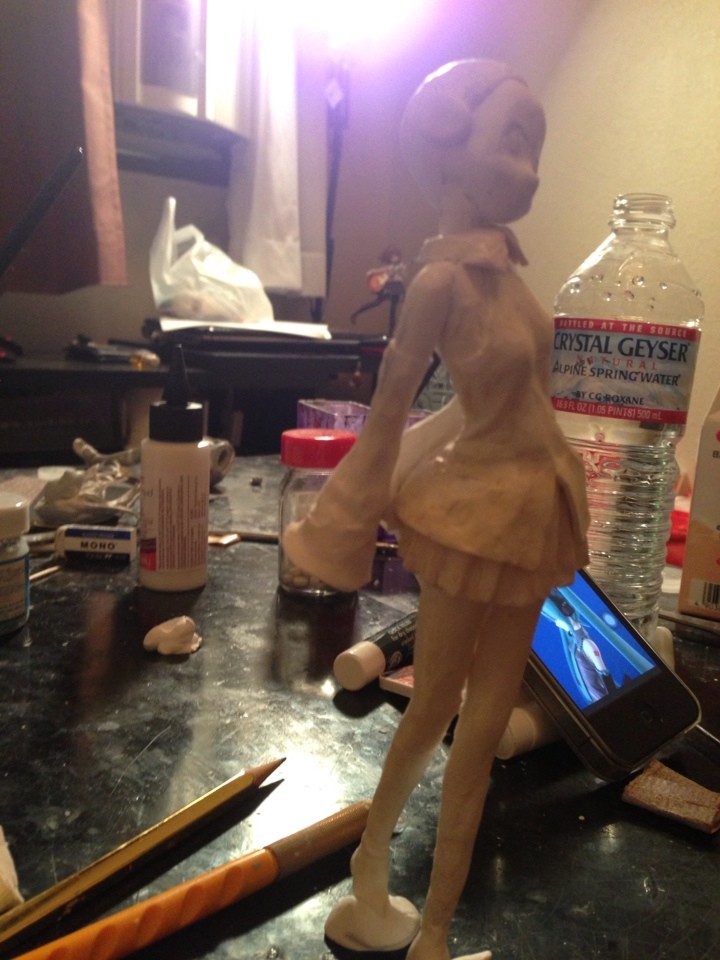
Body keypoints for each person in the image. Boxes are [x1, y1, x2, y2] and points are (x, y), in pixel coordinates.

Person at [283, 59, 590, 960]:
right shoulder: (439, 286)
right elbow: (390, 412)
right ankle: (373, 858)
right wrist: (353, 509)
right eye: (514, 142)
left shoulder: (512, 281)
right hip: (472, 517)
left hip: (532, 511)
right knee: (433, 709)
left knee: (484, 731)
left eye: (536, 149)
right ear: (448, 153)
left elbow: (484, 407)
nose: (532, 172)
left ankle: (441, 929)